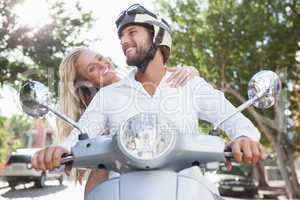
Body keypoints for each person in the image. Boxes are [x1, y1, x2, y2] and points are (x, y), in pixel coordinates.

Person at [32, 3, 265, 195]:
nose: (124, 41)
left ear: (158, 36)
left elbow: (235, 119)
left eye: (132, 32)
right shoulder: (108, 95)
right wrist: (59, 149)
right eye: (121, 36)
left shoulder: (190, 84)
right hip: (121, 191)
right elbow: (80, 135)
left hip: (190, 189)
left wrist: (244, 138)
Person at [36, 46, 200, 194]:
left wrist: (190, 72)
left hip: (185, 186)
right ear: (85, 83)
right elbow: (74, 144)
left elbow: (175, 77)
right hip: (130, 191)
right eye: (92, 68)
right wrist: (61, 149)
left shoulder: (142, 75)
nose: (102, 65)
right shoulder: (97, 120)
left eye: (100, 58)